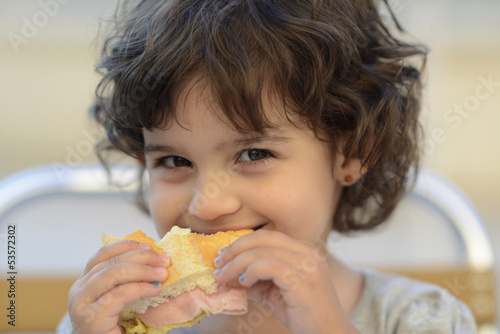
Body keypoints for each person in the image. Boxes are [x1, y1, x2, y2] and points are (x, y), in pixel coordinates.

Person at [57, 0, 477, 333]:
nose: (208, 205)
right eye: (174, 160)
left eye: (254, 154)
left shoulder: (422, 319)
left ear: (351, 153)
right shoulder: (115, 321)